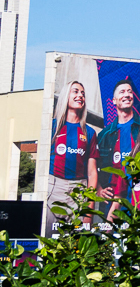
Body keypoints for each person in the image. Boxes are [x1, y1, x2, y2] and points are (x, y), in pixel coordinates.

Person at [44, 80, 94, 234]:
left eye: (83, 94)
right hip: (53, 187)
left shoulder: (89, 132)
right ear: (66, 95)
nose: (80, 96)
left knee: (76, 243)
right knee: (48, 238)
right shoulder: (51, 126)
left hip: (79, 190)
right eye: (76, 91)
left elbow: (92, 172)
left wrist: (89, 209)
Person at [91, 79, 140, 213]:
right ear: (114, 100)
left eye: (129, 92)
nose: (127, 95)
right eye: (122, 92)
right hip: (112, 199)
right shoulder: (104, 135)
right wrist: (98, 189)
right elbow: (90, 166)